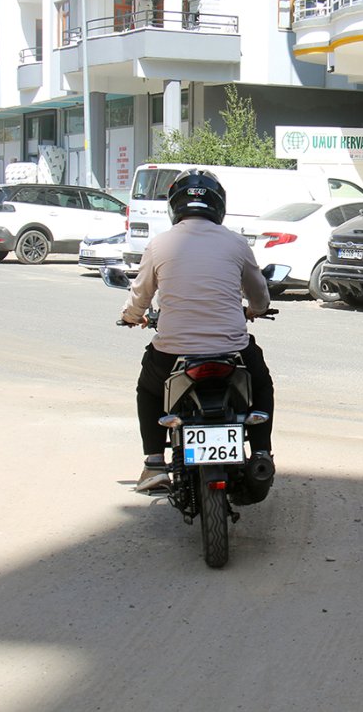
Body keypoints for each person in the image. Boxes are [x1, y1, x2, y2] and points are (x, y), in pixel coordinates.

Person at [120, 169, 275, 494]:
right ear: (219, 205)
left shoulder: (159, 244)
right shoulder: (235, 242)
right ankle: (260, 452)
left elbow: (140, 294)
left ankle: (154, 463)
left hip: (173, 351)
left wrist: (132, 316)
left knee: (148, 390)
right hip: (231, 350)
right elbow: (259, 293)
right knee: (260, 382)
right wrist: (255, 311)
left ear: (174, 205)